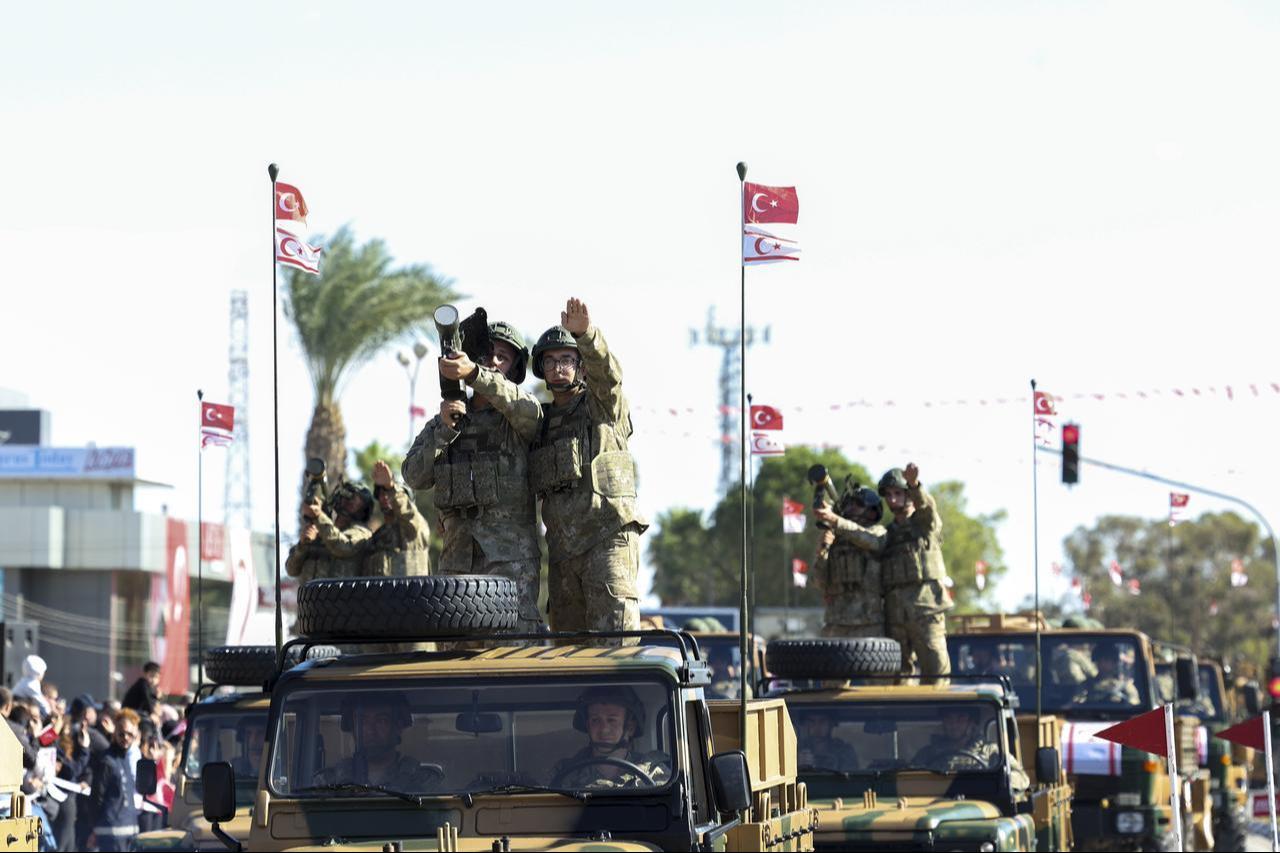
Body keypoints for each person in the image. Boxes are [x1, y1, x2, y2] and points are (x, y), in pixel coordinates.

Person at [403, 319, 547, 634]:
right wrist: (444, 429)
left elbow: (529, 412)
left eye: (503, 357)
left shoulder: (520, 418)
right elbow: (414, 476)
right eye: (485, 354)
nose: (493, 362)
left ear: (514, 369)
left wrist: (475, 374)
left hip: (510, 569)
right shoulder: (447, 420)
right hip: (457, 566)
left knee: (511, 661)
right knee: (453, 662)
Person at [528, 299, 647, 643]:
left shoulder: (602, 407)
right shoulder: (541, 423)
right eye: (549, 361)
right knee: (570, 653)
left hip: (607, 538)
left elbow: (608, 377)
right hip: (564, 553)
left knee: (616, 647)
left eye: (566, 359)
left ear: (580, 367)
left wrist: (587, 336)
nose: (558, 367)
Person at [878, 464, 953, 681]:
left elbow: (928, 509)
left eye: (898, 493)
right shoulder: (887, 535)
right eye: (888, 495)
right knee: (897, 677)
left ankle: (938, 715)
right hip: (895, 616)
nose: (892, 499)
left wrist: (914, 485)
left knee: (936, 671)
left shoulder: (924, 525)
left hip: (926, 611)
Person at [315, 694, 442, 792]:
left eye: (381, 721)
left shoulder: (424, 780)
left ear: (398, 727)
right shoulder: (328, 782)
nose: (371, 730)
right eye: (362, 721)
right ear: (353, 727)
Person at [552, 687, 669, 789]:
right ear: (588, 726)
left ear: (630, 727)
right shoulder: (565, 774)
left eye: (612, 720)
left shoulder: (652, 772)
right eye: (595, 720)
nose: (603, 729)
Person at [812, 483, 888, 638]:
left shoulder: (878, 533)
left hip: (868, 623)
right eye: (849, 504)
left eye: (858, 505)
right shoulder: (837, 539)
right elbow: (820, 582)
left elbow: (869, 540)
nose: (851, 508)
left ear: (872, 512)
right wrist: (823, 549)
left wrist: (835, 520)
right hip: (836, 622)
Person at [285, 482, 374, 584]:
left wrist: (318, 516)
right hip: (311, 598)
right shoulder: (322, 531)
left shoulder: (362, 532)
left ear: (363, 509)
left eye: (355, 500)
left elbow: (343, 546)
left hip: (342, 598)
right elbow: (291, 570)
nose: (347, 502)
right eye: (346, 496)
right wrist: (302, 545)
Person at [363, 460, 431, 578]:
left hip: (411, 595)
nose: (385, 496)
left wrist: (390, 487)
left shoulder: (414, 525)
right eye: (381, 492)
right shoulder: (378, 536)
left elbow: (408, 514)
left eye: (388, 493)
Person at [90, 708, 141, 852]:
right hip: (111, 834)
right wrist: (95, 828)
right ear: (115, 732)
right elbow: (96, 797)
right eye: (121, 733)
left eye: (130, 734)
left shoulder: (126, 759)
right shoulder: (107, 760)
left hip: (129, 832)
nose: (125, 738)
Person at [911, 706, 998, 771]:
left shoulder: (991, 752)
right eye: (948, 718)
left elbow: (1009, 780)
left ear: (971, 722)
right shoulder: (927, 754)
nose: (954, 724)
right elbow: (911, 782)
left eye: (961, 718)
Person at [14, 654, 52, 719]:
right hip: (20, 713)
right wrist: (49, 713)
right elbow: (42, 703)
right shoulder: (32, 684)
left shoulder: (25, 681)